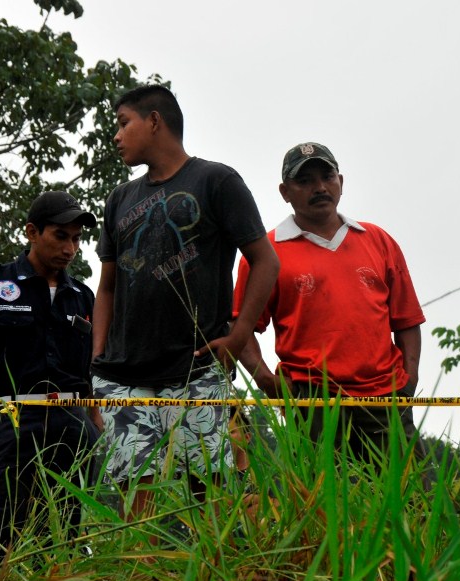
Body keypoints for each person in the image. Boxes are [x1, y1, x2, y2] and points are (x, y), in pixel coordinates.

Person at [91, 84, 279, 519]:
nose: (116, 136)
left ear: (154, 121)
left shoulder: (216, 180)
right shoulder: (120, 198)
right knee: (136, 492)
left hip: (196, 363)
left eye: (123, 124)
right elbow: (108, 287)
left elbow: (265, 261)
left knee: (217, 490)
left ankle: (228, 578)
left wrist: (237, 336)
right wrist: (97, 356)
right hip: (124, 373)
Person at [234, 142, 427, 466]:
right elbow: (240, 326)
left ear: (341, 181)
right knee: (323, 510)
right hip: (312, 404)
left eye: (327, 176)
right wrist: (265, 379)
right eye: (305, 180)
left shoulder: (377, 240)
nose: (320, 187)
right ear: (285, 191)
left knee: (411, 507)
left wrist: (410, 378)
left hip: (385, 399)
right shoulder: (267, 252)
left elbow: (406, 319)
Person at [0, 190, 101, 549]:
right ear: (32, 232)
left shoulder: (82, 295)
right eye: (60, 236)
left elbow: (89, 367)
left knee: (67, 534)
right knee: (5, 533)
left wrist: (95, 423)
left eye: (76, 239)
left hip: (72, 422)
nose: (70, 248)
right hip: (15, 420)